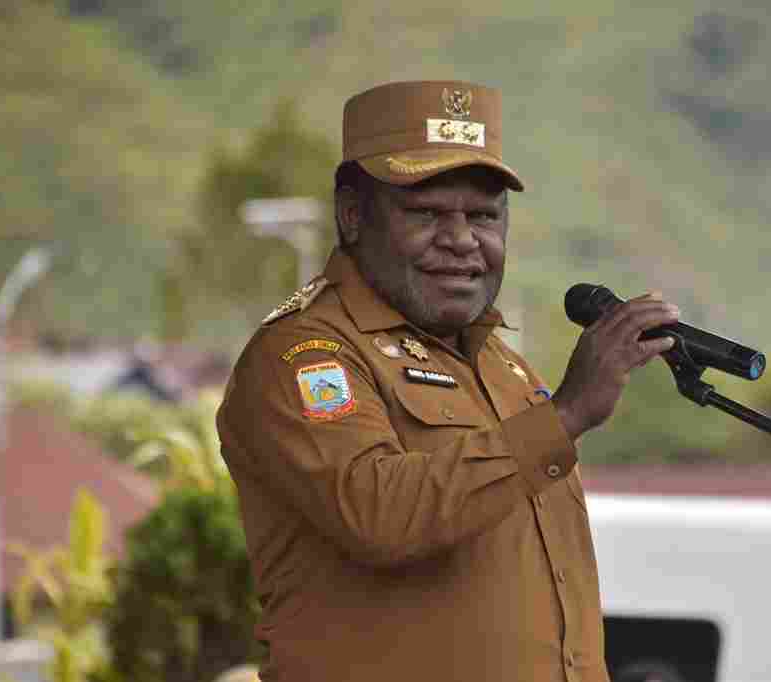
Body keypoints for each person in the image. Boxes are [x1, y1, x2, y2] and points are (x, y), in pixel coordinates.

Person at [216, 80, 680, 682]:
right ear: (352, 215)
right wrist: (564, 416)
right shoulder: (304, 355)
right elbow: (377, 514)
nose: (462, 240)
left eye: (483, 216)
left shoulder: (505, 367)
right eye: (427, 213)